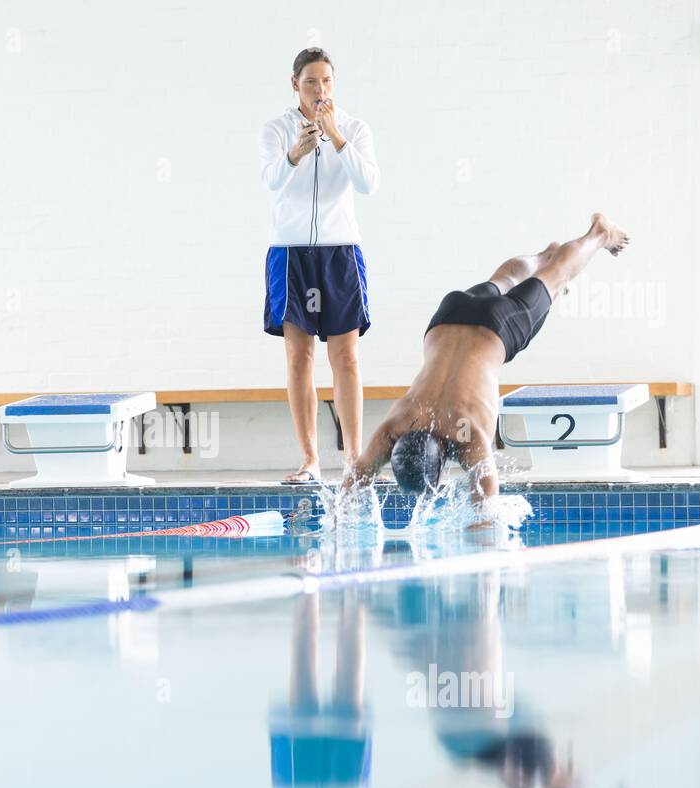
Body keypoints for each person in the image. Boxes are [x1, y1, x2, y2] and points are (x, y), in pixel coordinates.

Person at [347, 213, 630, 504]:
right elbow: (355, 477)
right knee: (504, 279)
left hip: (499, 328)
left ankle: (599, 234)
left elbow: (487, 509)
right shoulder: (397, 423)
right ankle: (545, 254)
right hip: (448, 316)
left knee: (558, 274)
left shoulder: (466, 436)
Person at [259, 48, 380, 484]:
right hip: (290, 252)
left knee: (345, 357)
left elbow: (368, 182)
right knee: (299, 357)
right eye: (311, 81)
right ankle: (310, 460)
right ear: (295, 84)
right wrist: (295, 152)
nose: (320, 89)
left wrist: (335, 137)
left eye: (326, 80)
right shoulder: (276, 129)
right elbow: (270, 180)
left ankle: (353, 460)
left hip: (339, 250)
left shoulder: (353, 127)